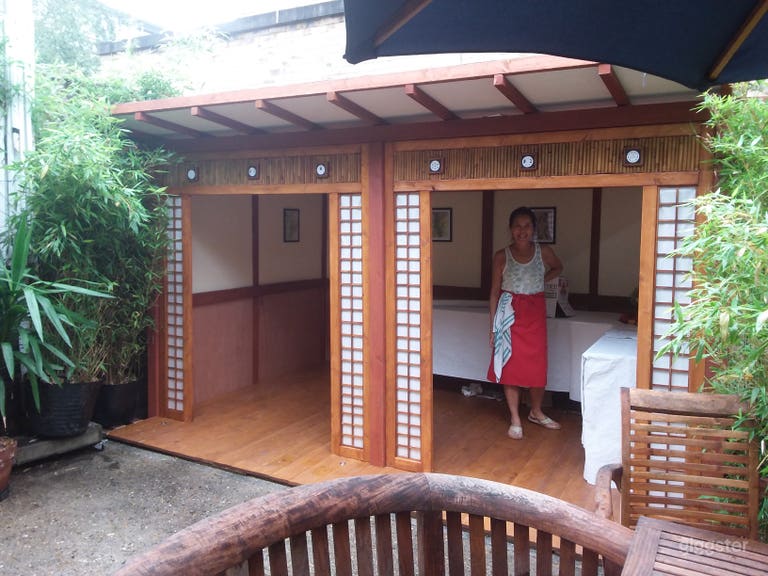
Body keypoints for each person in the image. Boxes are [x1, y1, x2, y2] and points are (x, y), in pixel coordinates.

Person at [487, 206, 563, 440]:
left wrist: (543, 279)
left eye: (527, 226)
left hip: (535, 312)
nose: (522, 231)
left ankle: (536, 411)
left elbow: (559, 267)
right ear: (511, 229)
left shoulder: (544, 252)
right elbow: (494, 292)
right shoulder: (502, 255)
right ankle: (515, 418)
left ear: (533, 229)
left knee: (537, 365)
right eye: (517, 226)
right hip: (509, 313)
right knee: (510, 365)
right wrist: (493, 327)